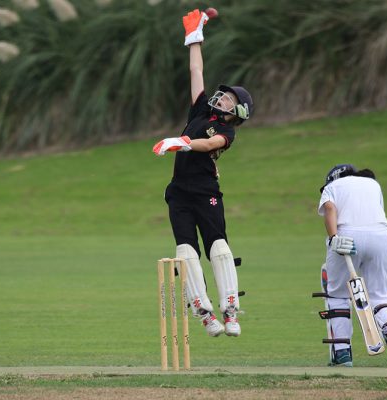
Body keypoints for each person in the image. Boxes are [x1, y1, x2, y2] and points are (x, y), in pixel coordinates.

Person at [152, 9, 254, 338]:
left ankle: (230, 310)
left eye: (228, 98)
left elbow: (209, 144)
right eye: (223, 94)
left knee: (219, 248)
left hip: (206, 193)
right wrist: (194, 37)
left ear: (236, 112)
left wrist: (181, 143)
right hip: (179, 193)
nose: (221, 97)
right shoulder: (200, 110)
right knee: (185, 251)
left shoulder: (228, 133)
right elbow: (196, 69)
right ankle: (204, 313)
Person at [318, 164, 387, 367]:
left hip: (347, 235)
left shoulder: (334, 186)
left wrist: (333, 238)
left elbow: (330, 208)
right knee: (381, 294)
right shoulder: (373, 184)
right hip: (381, 237)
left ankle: (342, 353)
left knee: (338, 294)